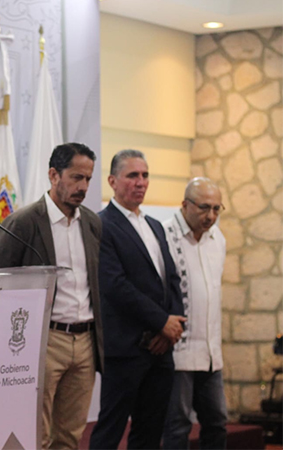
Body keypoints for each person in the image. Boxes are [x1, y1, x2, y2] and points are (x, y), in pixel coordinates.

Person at [0, 143, 103, 449]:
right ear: (54, 175)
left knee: (70, 435)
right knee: (33, 433)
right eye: (76, 177)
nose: (83, 187)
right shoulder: (24, 222)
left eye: (88, 179)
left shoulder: (92, 223)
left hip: (85, 341)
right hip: (43, 340)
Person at [89, 149, 185, 450]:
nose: (140, 182)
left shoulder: (155, 225)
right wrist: (161, 322)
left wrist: (171, 329)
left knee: (150, 432)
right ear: (112, 181)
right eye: (132, 175)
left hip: (161, 348)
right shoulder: (102, 224)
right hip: (125, 348)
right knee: (110, 431)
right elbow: (114, 285)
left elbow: (172, 279)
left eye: (145, 175)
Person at [162, 178, 228, 449]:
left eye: (216, 208)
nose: (210, 216)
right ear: (185, 204)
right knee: (177, 426)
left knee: (217, 422)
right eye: (203, 207)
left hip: (211, 353)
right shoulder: (164, 235)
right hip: (179, 352)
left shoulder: (218, 239)